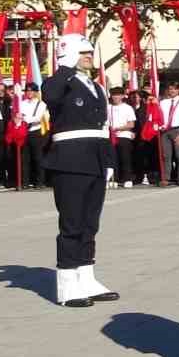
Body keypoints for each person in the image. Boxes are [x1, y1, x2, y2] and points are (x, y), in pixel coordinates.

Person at [42, 35, 119, 307]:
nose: (89, 56)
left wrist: (108, 161)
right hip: (70, 159)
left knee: (90, 222)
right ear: (71, 53)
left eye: (89, 51)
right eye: (84, 52)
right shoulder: (60, 81)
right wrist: (65, 66)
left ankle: (86, 276)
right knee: (72, 222)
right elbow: (50, 96)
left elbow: (102, 128)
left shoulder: (95, 85)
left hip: (95, 158)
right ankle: (66, 284)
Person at [19, 82, 48, 189]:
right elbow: (19, 114)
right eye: (27, 90)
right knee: (24, 158)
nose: (29, 92)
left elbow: (37, 118)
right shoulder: (22, 103)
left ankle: (40, 182)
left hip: (36, 132)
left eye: (32, 90)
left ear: (36, 92)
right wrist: (24, 118)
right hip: (24, 132)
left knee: (38, 158)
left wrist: (25, 118)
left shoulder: (41, 104)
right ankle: (25, 182)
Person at [107, 87, 137, 188]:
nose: (115, 97)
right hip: (110, 136)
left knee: (125, 158)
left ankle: (127, 178)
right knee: (112, 158)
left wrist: (118, 128)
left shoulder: (127, 108)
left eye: (118, 95)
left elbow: (131, 124)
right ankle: (114, 179)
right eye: (114, 95)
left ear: (122, 96)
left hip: (124, 135)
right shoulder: (108, 107)